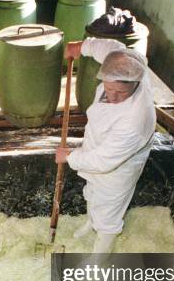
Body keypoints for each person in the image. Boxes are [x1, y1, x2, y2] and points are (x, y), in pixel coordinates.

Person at [56, 39, 156, 253]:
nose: (112, 96)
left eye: (120, 93)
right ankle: (90, 224)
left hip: (119, 167)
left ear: (136, 83)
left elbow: (103, 161)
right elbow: (111, 48)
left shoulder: (135, 120)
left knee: (108, 213)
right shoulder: (122, 63)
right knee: (91, 190)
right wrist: (81, 47)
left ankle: (98, 262)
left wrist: (70, 156)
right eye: (108, 89)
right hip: (98, 144)